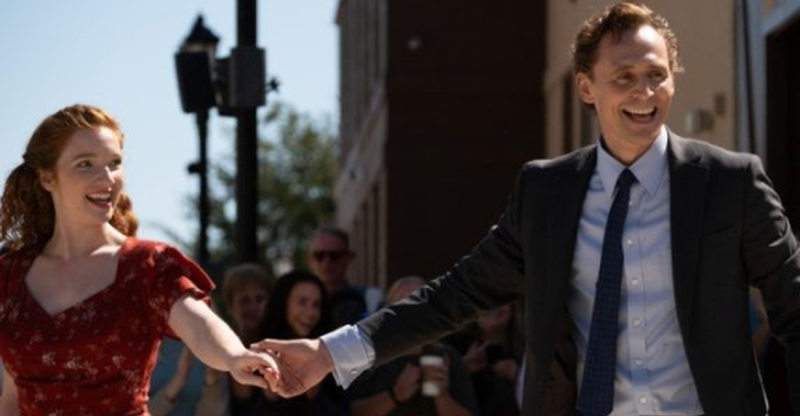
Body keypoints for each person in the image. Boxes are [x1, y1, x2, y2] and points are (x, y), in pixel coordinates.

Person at [255, 3, 800, 416]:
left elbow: (795, 310)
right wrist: (329, 353)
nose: (645, 91)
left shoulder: (731, 183)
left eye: (657, 74)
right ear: (586, 88)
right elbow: (455, 294)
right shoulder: (546, 193)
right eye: (624, 77)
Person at [0, 104, 278, 415]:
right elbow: (12, 396)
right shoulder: (10, 275)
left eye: (114, 163)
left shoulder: (146, 266)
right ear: (47, 177)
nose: (107, 177)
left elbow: (200, 326)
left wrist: (235, 356)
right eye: (85, 164)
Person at [348, 276, 478, 416]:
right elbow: (353, 412)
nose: (410, 312)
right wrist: (395, 395)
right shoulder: (369, 358)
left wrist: (443, 396)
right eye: (402, 304)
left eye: (418, 303)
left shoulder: (446, 356)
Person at [246, 270, 348, 416]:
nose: (310, 313)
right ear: (284, 303)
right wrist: (270, 398)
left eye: (316, 305)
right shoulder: (258, 349)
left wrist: (314, 395)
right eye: (302, 302)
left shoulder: (330, 350)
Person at [444, 302, 523, 416]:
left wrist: (520, 375)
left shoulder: (527, 351)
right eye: (484, 302)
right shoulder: (455, 347)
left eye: (500, 301)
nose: (493, 308)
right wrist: (462, 368)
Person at [307, 226, 383, 325]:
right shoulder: (295, 306)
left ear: (348, 258)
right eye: (319, 256)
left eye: (334, 256)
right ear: (309, 260)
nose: (326, 263)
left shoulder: (371, 299)